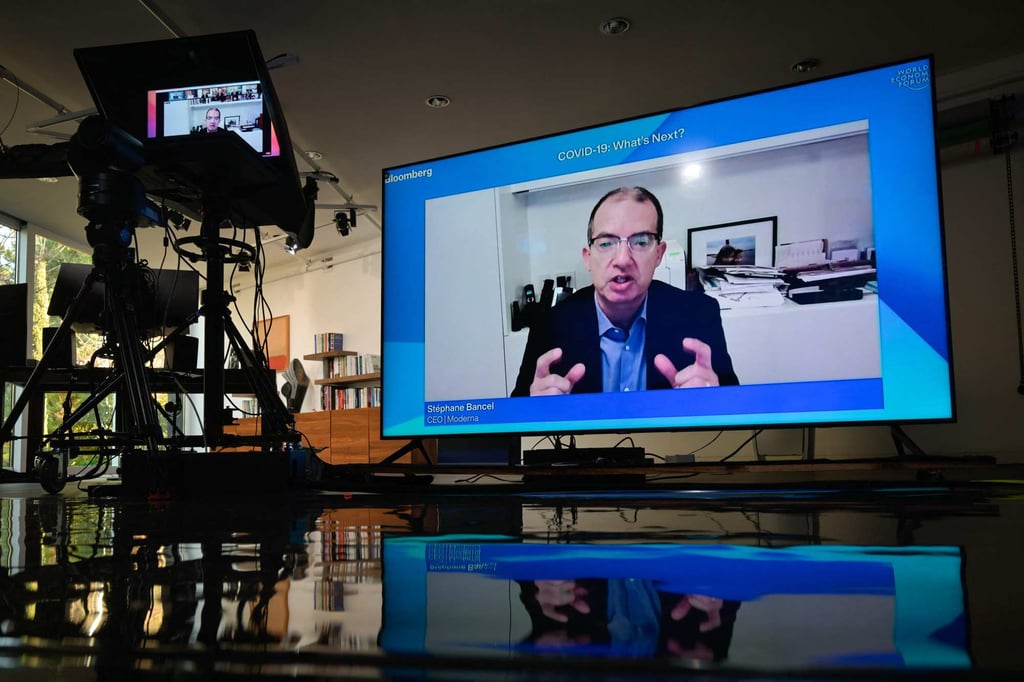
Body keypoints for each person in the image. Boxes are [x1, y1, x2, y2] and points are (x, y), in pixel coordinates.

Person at [511, 186, 738, 396]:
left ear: (659, 254)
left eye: (641, 242)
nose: (622, 259)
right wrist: (534, 411)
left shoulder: (700, 314)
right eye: (606, 243)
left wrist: (715, 402)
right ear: (588, 258)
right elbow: (515, 416)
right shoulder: (549, 325)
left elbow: (736, 411)